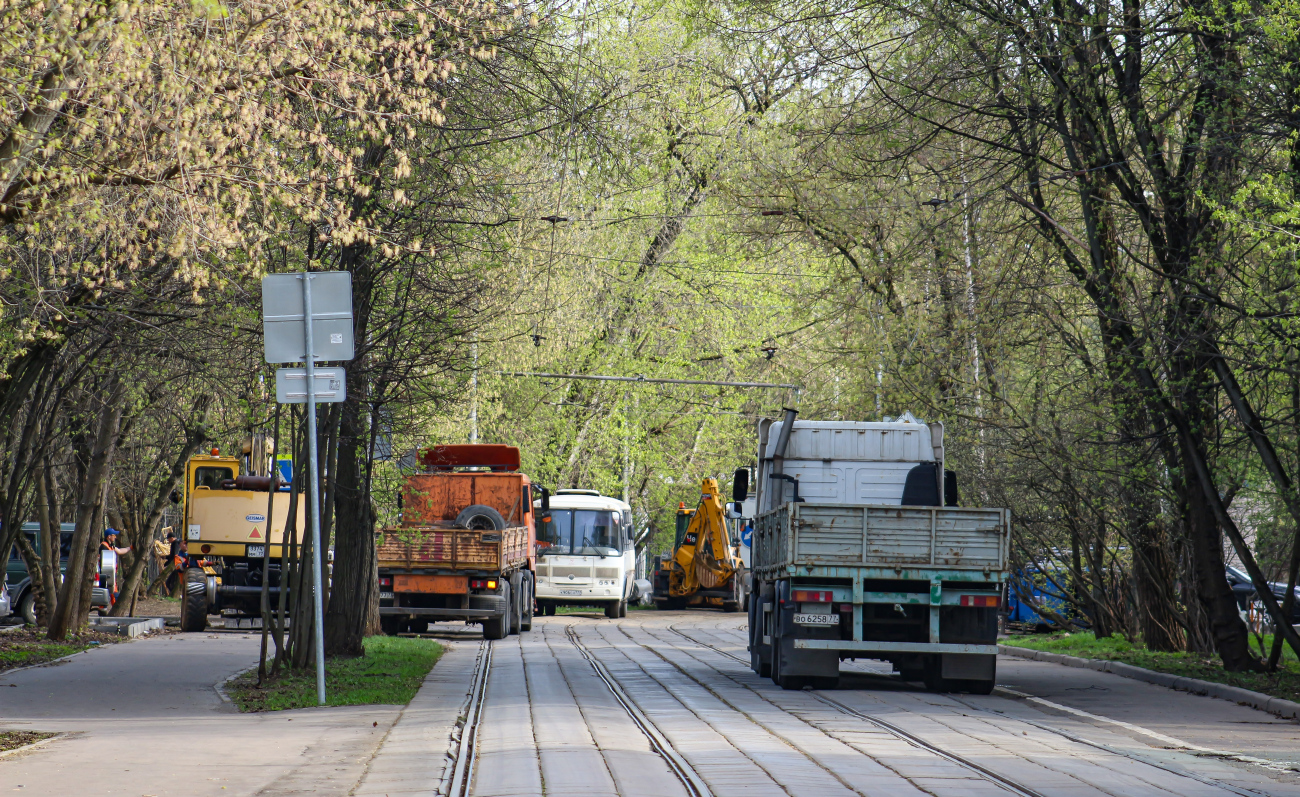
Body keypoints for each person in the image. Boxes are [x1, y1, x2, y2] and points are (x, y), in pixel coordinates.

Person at [100, 529, 131, 604]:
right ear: (109, 536)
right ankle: (113, 607)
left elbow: (120, 551)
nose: (115, 537)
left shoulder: (111, 546)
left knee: (111, 591)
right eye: (114, 535)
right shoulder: (103, 546)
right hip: (105, 573)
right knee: (111, 591)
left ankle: (106, 607)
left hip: (111, 573)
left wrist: (130, 548)